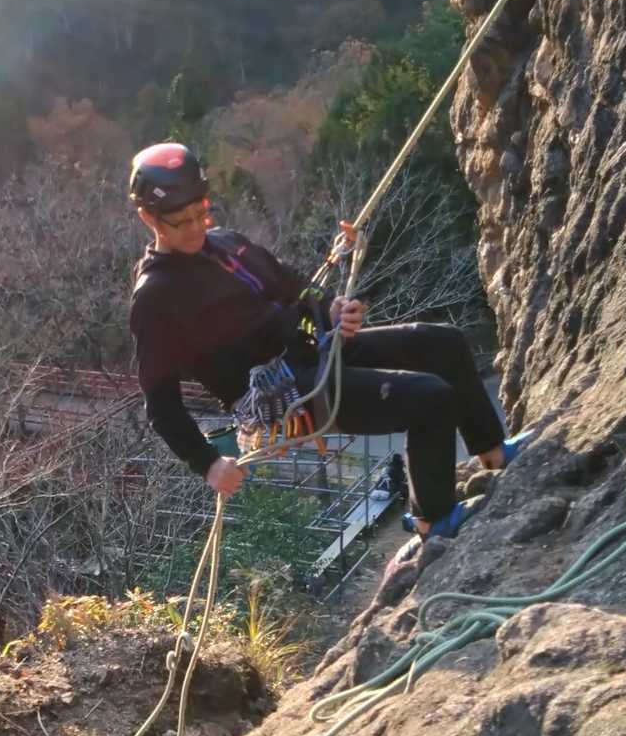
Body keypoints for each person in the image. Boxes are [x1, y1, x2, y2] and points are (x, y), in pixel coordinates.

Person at [128, 142, 527, 539]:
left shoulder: (227, 243)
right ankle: (432, 519)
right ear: (148, 217)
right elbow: (161, 404)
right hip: (285, 394)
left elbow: (293, 285)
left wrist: (331, 307)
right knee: (429, 398)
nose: (196, 227)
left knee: (442, 343)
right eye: (181, 221)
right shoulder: (156, 296)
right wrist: (208, 463)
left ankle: (491, 451)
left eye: (201, 212)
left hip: (311, 352)